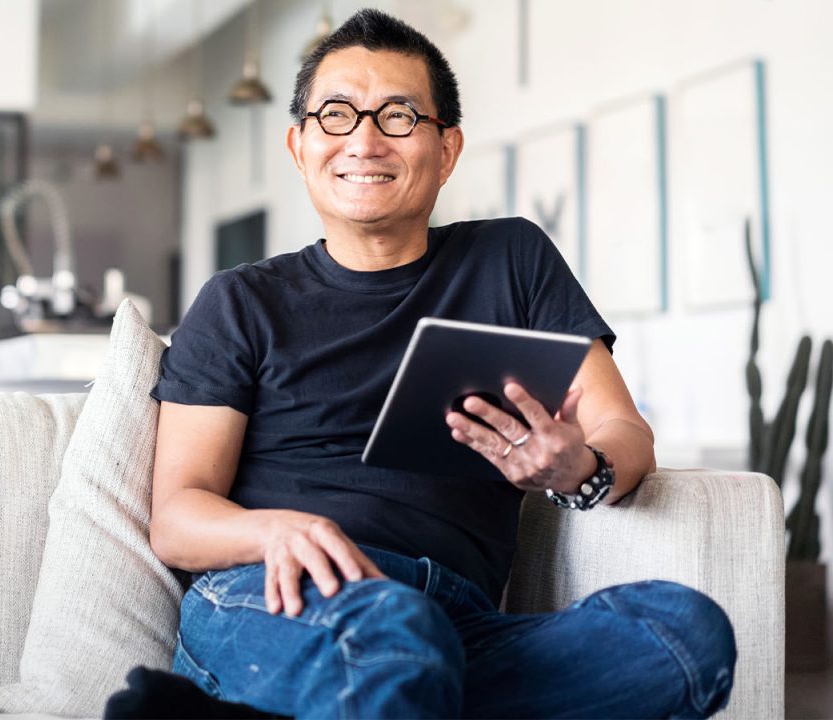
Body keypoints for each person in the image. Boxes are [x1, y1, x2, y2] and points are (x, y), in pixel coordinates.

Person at [147, 8, 736, 719]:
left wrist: (581, 467)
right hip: (280, 596)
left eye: (398, 116)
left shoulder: (511, 261)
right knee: (397, 642)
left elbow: (623, 429)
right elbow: (177, 516)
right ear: (299, 145)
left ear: (448, 148)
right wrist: (275, 528)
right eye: (336, 115)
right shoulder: (240, 302)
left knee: (682, 635)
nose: (364, 139)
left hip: (462, 624)